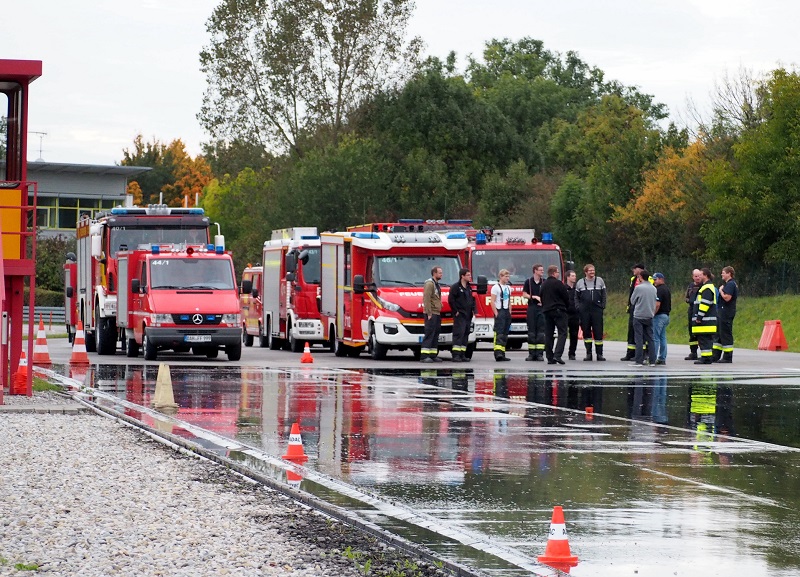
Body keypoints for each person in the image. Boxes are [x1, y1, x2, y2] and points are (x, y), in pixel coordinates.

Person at [574, 263, 607, 361]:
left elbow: (604, 294)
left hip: (597, 310)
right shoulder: (580, 282)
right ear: (585, 272)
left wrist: (603, 306)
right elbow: (576, 297)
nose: (592, 272)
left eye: (593, 270)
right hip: (584, 311)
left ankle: (599, 354)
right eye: (590, 270)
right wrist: (578, 307)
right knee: (586, 332)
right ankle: (589, 354)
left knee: (598, 331)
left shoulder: (600, 281)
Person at [540, 265, 569, 365]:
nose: (558, 274)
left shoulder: (543, 284)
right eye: (557, 272)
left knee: (548, 334)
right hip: (559, 310)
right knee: (562, 332)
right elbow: (566, 296)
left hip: (547, 311)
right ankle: (557, 355)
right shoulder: (558, 283)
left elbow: (541, 297)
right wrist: (566, 307)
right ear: (553, 273)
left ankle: (549, 357)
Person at [629, 269, 657, 367]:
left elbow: (632, 301)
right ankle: (652, 361)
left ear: (640, 277)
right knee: (651, 339)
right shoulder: (654, 288)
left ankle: (639, 361)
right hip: (649, 315)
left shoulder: (638, 288)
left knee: (639, 339)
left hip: (639, 315)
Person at [621, 263, 648, 361]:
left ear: (640, 270)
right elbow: (631, 294)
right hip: (633, 307)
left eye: (635, 269)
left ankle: (643, 354)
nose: (633, 271)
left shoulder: (649, 279)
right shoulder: (633, 279)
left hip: (643, 308)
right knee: (631, 330)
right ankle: (630, 353)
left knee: (642, 333)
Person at [448, 267, 475, 362]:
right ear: (462, 276)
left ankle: (462, 354)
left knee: (465, 334)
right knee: (459, 334)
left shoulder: (468, 288)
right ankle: (456, 355)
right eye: (468, 275)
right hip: (460, 315)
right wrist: (456, 311)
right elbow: (451, 300)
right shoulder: (455, 287)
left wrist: (473, 310)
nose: (470, 277)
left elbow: (471, 300)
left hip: (468, 315)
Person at [692, 268, 718, 364]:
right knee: (705, 340)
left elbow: (705, 304)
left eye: (701, 274)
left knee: (704, 339)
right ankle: (707, 357)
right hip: (707, 320)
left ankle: (706, 358)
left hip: (705, 320)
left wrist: (699, 317)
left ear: (705, 275)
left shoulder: (707, 288)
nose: (699, 276)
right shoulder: (707, 287)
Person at [714, 266, 738, 363]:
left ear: (729, 274)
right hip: (722, 311)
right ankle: (715, 355)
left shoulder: (731, 284)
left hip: (726, 312)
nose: (722, 274)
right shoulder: (728, 284)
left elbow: (727, 298)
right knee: (719, 333)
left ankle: (728, 356)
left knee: (725, 333)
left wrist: (720, 291)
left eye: (723, 273)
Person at [522, 264, 545, 361]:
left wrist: (543, 301)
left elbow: (548, 294)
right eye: (540, 270)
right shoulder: (528, 282)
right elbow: (524, 294)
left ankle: (539, 354)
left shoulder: (544, 282)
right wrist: (534, 297)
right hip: (531, 308)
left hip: (541, 309)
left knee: (540, 332)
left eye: (542, 270)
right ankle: (531, 354)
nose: (542, 272)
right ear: (535, 271)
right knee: (531, 332)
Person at [420, 266, 443, 363]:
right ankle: (424, 355)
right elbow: (426, 299)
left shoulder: (436, 284)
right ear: (434, 273)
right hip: (431, 313)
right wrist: (429, 313)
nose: (441, 275)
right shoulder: (429, 284)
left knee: (435, 334)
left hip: (437, 312)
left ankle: (433, 354)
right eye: (440, 273)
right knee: (429, 333)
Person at [491, 269, 512, 361]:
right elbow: (492, 301)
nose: (507, 278)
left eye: (508, 276)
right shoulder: (495, 287)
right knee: (499, 333)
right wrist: (496, 313)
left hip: (506, 312)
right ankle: (498, 353)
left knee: (505, 333)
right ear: (501, 277)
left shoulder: (508, 288)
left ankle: (503, 353)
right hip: (500, 311)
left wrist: (510, 312)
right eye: (506, 276)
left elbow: (509, 301)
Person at [652, 272, 671, 365]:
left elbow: (657, 304)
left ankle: (653, 358)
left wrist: (652, 314)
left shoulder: (659, 290)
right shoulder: (666, 289)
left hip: (659, 316)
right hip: (666, 315)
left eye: (655, 279)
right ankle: (662, 358)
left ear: (661, 279)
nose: (654, 281)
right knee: (662, 337)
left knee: (655, 337)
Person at [684, 269, 702, 360]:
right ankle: (693, 352)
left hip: (700, 309)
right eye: (696, 276)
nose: (697, 278)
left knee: (700, 332)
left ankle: (704, 352)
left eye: (699, 276)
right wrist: (690, 300)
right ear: (692, 277)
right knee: (691, 332)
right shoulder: (690, 286)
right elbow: (686, 297)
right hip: (691, 310)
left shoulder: (703, 286)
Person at [564, 270, 580, 360]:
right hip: (565, 314)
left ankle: (572, 353)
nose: (574, 277)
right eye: (573, 276)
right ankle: (559, 352)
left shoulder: (577, 289)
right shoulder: (563, 288)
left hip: (575, 314)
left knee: (574, 334)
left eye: (575, 276)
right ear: (568, 277)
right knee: (563, 334)